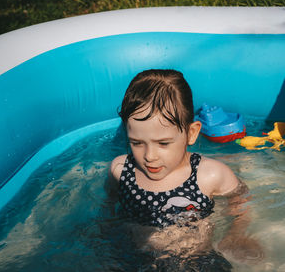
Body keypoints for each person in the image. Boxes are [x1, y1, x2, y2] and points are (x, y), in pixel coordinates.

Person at [107, 69, 263, 269]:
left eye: (163, 143)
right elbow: (109, 204)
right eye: (136, 142)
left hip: (198, 260)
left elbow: (240, 200)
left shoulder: (210, 174)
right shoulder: (121, 171)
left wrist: (235, 234)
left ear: (191, 133)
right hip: (134, 261)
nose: (149, 156)